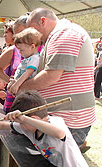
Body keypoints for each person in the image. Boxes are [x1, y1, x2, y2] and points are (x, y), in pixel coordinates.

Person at [21, 8, 96, 150]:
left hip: (70, 119)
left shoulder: (64, 34)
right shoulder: (56, 36)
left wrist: (21, 88)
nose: (31, 36)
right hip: (63, 117)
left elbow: (50, 76)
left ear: (43, 21)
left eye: (32, 29)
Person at [0, 19, 26, 113]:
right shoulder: (13, 50)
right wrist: (11, 83)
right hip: (13, 99)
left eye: (7, 32)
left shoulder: (39, 49)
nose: (5, 35)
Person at [7, 28, 42, 95]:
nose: (19, 52)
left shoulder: (34, 59)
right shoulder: (29, 58)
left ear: (32, 46)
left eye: (21, 50)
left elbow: (28, 72)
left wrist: (17, 84)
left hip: (27, 91)